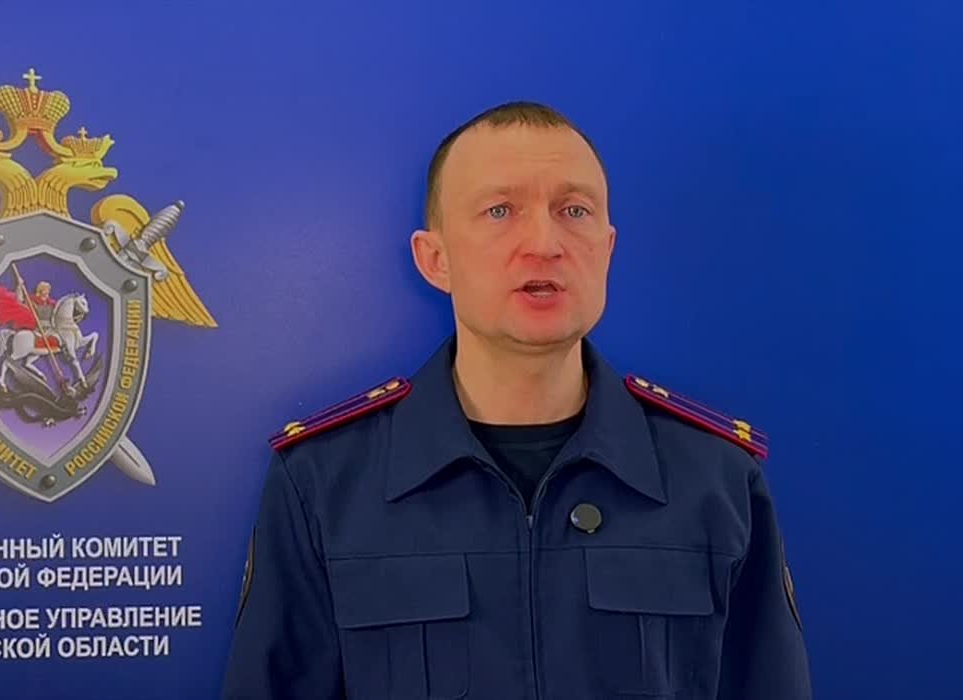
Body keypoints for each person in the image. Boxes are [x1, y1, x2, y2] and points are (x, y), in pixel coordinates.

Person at [221, 102, 811, 699]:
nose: (545, 243)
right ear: (435, 260)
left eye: (574, 210)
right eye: (500, 211)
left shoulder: (716, 479)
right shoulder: (324, 483)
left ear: (607, 249)